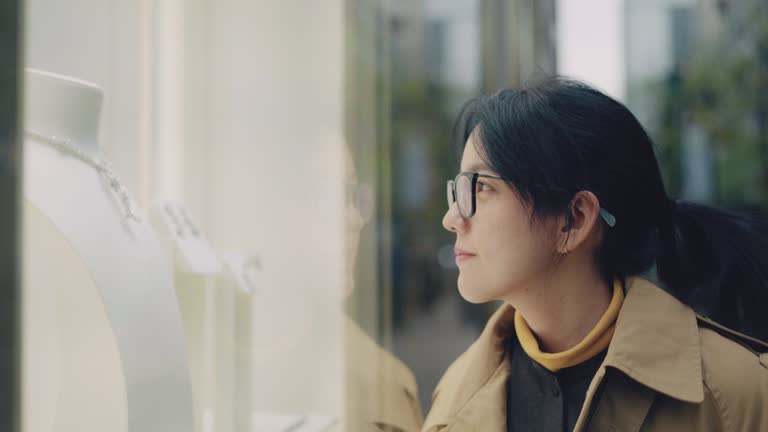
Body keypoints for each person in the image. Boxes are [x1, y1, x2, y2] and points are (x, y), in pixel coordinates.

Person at [423, 77, 768, 432]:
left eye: (481, 187)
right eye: (459, 190)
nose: (452, 219)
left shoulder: (737, 398)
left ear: (575, 218)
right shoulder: (454, 400)